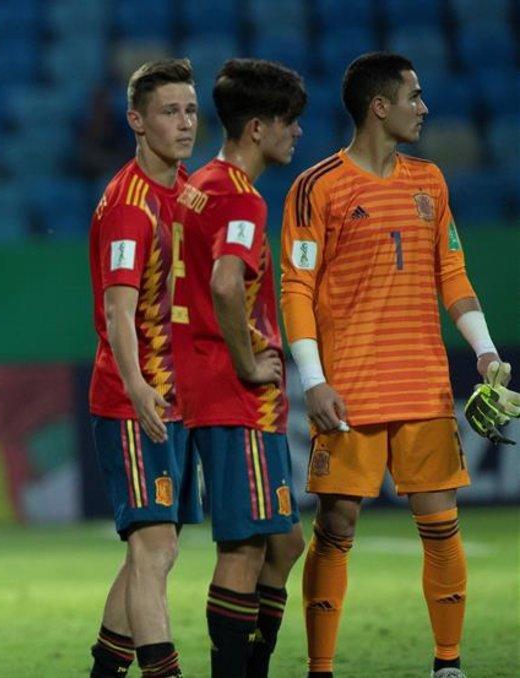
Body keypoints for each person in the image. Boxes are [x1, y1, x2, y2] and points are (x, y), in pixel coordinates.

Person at [281, 52, 509, 678]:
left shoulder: (430, 181)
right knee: (337, 527)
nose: (424, 107)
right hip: (348, 389)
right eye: (414, 96)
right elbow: (295, 288)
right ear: (380, 106)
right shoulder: (317, 187)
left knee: (442, 525)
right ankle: (320, 667)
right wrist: (315, 380)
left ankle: (448, 664)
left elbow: (452, 273)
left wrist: (486, 350)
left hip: (424, 385)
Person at [170, 59, 309, 677]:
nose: (297, 133)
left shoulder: (197, 183)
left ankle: (251, 666)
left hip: (201, 384)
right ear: (257, 127)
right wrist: (249, 359)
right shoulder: (241, 199)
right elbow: (227, 285)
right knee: (245, 547)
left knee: (284, 542)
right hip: (235, 394)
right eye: (289, 122)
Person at [84, 58, 200, 678]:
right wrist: (137, 387)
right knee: (154, 547)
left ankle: (106, 670)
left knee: (151, 551)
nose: (185, 123)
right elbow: (118, 306)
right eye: (168, 111)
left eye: (190, 109)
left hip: (178, 399)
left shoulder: (188, 193)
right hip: (138, 402)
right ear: (136, 120)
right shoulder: (130, 203)